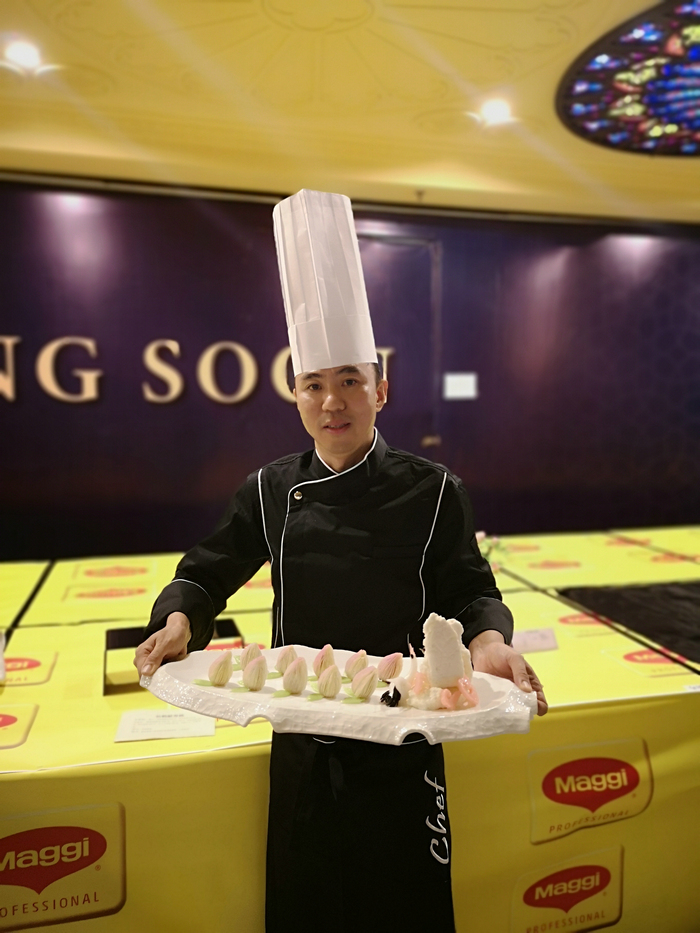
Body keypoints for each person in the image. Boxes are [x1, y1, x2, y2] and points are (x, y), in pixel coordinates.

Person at [134, 191, 547, 932]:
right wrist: (179, 618)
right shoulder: (269, 488)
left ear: (381, 390)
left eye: (350, 380)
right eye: (314, 384)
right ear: (295, 395)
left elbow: (468, 588)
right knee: (307, 907)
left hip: (403, 737)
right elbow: (210, 566)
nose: (333, 401)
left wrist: (490, 641)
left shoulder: (434, 490)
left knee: (407, 909)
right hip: (303, 738)